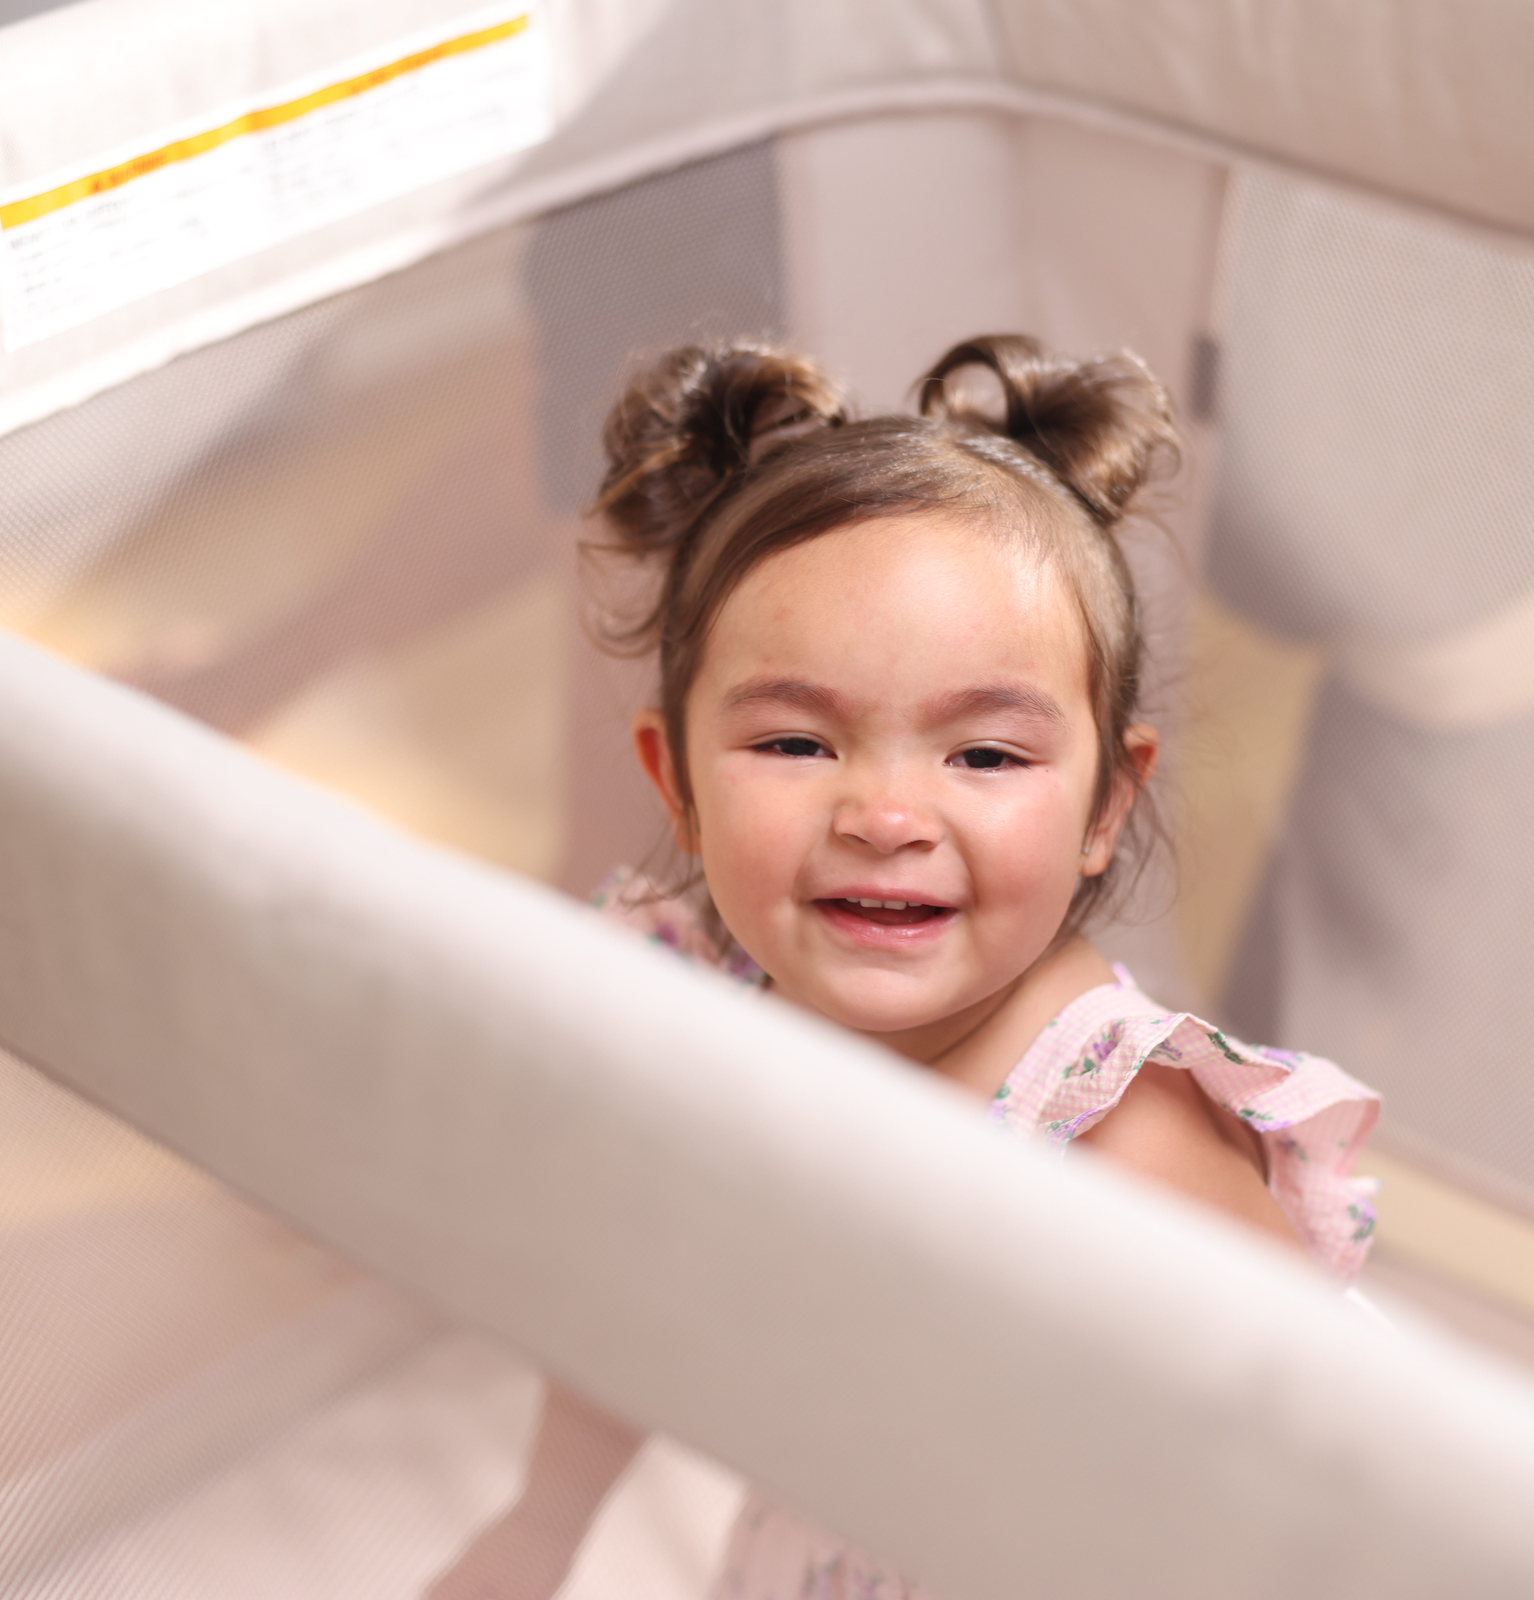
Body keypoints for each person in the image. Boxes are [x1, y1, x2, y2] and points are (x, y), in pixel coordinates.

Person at [429, 335, 1379, 1600]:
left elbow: (1339, 1495)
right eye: (795, 740)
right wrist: (542, 1527)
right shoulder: (700, 1006)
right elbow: (633, 1298)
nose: (885, 815)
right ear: (680, 786)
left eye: (984, 756)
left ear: (1106, 800)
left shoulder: (1120, 1144)